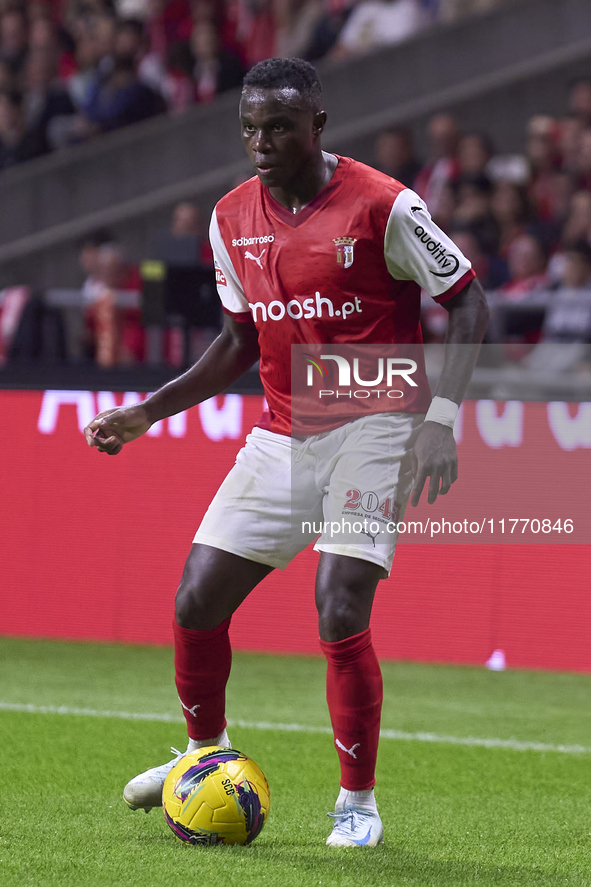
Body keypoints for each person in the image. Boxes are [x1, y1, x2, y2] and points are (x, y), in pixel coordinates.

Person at [84, 56, 489, 848]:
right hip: (284, 431)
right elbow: (238, 340)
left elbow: (466, 300)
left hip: (377, 425)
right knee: (196, 599)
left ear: (317, 126)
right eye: (248, 128)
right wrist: (146, 412)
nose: (261, 142)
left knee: (338, 602)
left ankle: (356, 803)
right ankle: (202, 758)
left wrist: (441, 417)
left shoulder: (383, 205)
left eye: (277, 127)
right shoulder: (230, 216)